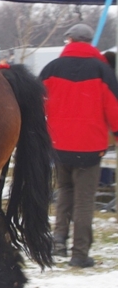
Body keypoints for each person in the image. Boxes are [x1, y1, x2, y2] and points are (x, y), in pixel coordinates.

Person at [40, 23, 118, 268]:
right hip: (90, 146)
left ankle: (59, 240)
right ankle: (80, 253)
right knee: (84, 200)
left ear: (70, 40)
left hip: (59, 144)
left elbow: (38, 103)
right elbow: (114, 108)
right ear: (89, 42)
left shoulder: (51, 68)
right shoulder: (102, 70)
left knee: (64, 192)